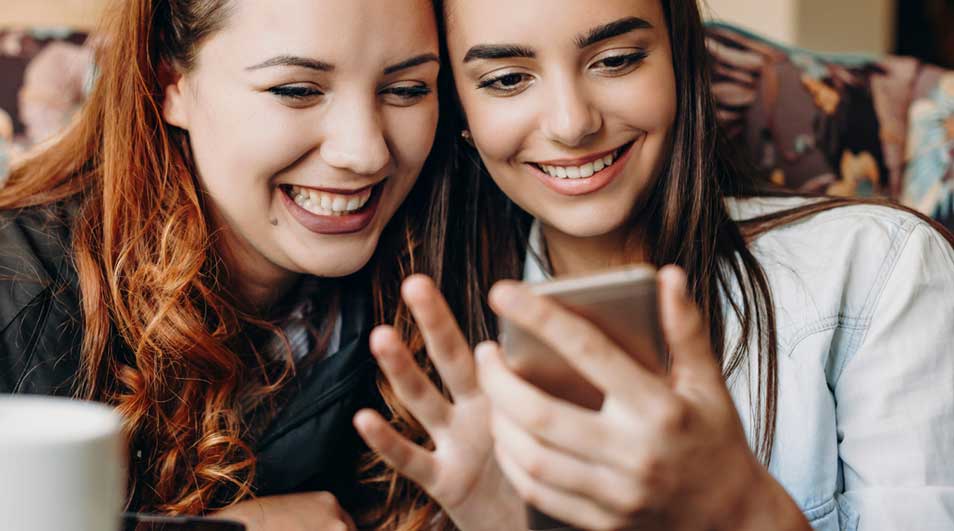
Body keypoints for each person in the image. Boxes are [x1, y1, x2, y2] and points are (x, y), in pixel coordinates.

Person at [354, 1, 954, 530]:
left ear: (678, 57)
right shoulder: (427, 323)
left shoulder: (879, 268)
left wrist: (740, 510)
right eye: (508, 79)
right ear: (458, 108)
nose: (572, 124)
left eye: (615, 60)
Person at [0, 0, 450, 528]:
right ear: (170, 82)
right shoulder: (21, 292)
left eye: (407, 90)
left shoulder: (446, 251)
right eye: (297, 90)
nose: (366, 151)